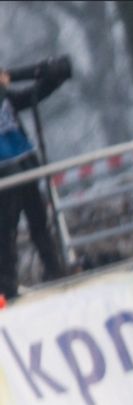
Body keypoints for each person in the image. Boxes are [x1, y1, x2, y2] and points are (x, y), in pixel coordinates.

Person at [0, 65, 67, 300]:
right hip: (5, 172)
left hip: (25, 163)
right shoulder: (4, 93)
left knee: (39, 222)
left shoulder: (8, 97)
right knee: (6, 230)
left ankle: (55, 270)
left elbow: (34, 94)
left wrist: (44, 74)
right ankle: (7, 286)